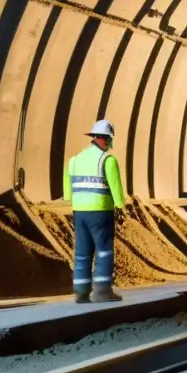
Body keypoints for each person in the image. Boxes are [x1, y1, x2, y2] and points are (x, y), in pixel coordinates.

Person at [63, 119, 126, 303]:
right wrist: (121, 207)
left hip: (79, 212)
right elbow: (116, 187)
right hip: (100, 211)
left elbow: (68, 192)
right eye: (110, 140)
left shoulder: (74, 160)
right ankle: (102, 291)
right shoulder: (107, 160)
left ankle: (81, 292)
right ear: (105, 139)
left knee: (82, 251)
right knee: (104, 250)